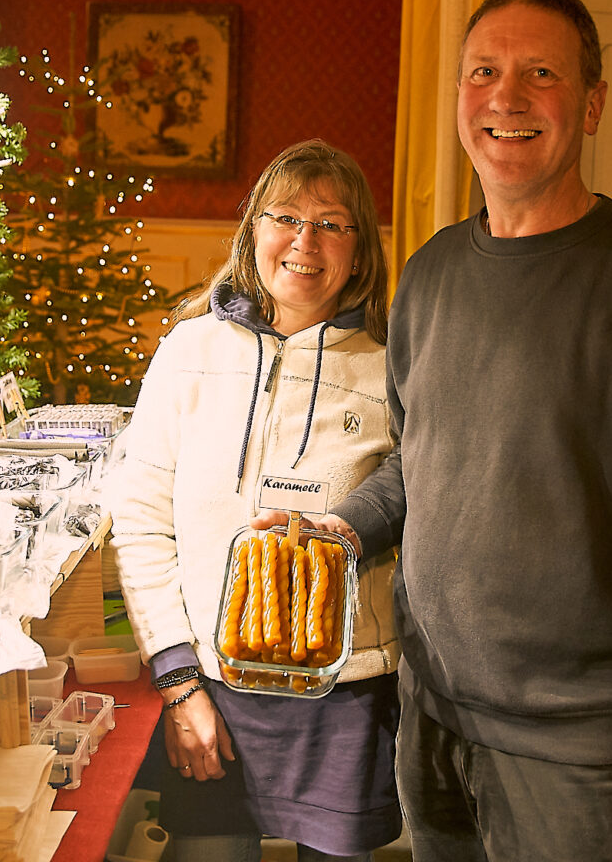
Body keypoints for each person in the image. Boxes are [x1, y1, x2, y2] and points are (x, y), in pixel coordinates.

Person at [323, 0, 612, 862]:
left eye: (541, 74)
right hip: (433, 724)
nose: (506, 98)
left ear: (592, 105)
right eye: (483, 71)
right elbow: (423, 464)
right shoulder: (431, 273)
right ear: (459, 99)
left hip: (581, 758)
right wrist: (340, 528)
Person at [110, 139, 402, 862]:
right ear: (253, 233)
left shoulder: (395, 365)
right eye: (286, 217)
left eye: (333, 223)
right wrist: (179, 685)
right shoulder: (187, 352)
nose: (306, 242)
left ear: (360, 252)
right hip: (213, 687)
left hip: (346, 692)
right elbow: (142, 522)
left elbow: (417, 494)